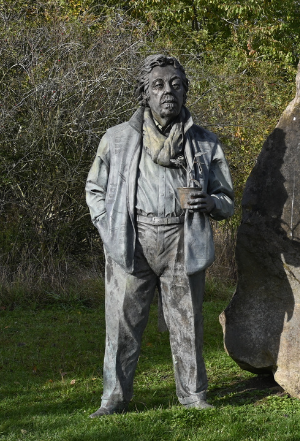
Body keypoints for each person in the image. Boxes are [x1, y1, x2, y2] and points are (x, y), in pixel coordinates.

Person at [85, 54, 234, 417]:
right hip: (132, 239)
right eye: (159, 85)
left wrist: (209, 202)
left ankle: (193, 394)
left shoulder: (204, 142)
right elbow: (95, 190)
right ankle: (114, 398)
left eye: (176, 84)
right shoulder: (117, 139)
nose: (169, 91)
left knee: (187, 321)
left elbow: (228, 200)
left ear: (185, 92)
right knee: (123, 323)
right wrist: (110, 228)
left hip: (182, 238)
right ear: (145, 95)